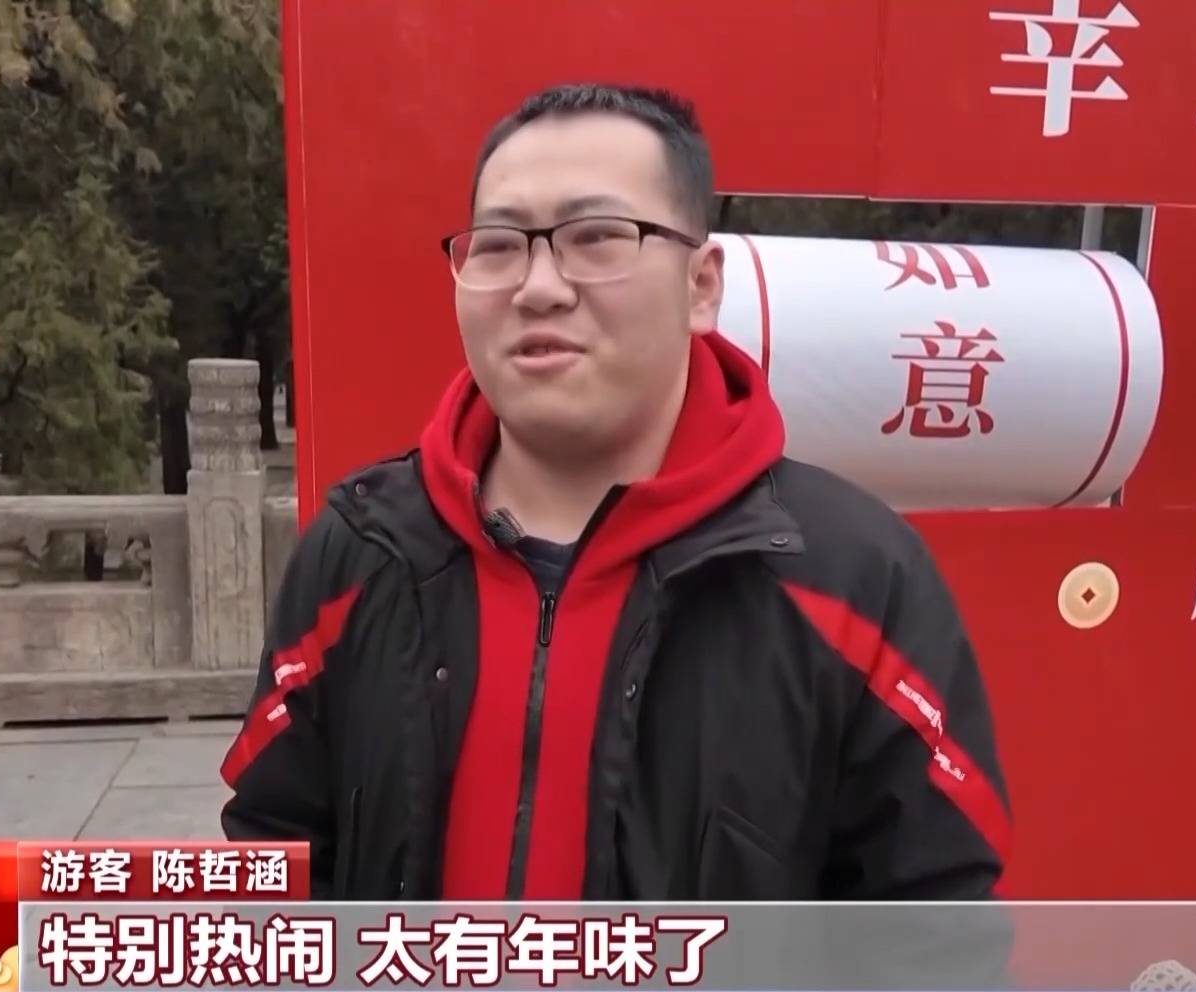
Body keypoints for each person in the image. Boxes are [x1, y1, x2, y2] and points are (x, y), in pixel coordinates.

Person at [220, 83, 1010, 902]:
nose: (538, 287)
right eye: (499, 245)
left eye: (596, 237)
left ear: (701, 285)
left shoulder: (851, 579)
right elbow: (275, 854)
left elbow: (930, 924)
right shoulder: (361, 549)